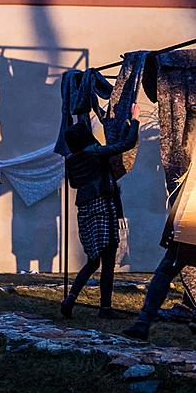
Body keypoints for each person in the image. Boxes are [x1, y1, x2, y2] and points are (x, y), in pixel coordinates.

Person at [60, 104, 140, 320]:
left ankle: (71, 298)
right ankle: (105, 308)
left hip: (85, 210)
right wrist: (135, 120)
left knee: (93, 260)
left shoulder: (71, 160)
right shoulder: (93, 152)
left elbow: (75, 184)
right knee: (108, 260)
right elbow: (127, 144)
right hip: (103, 206)